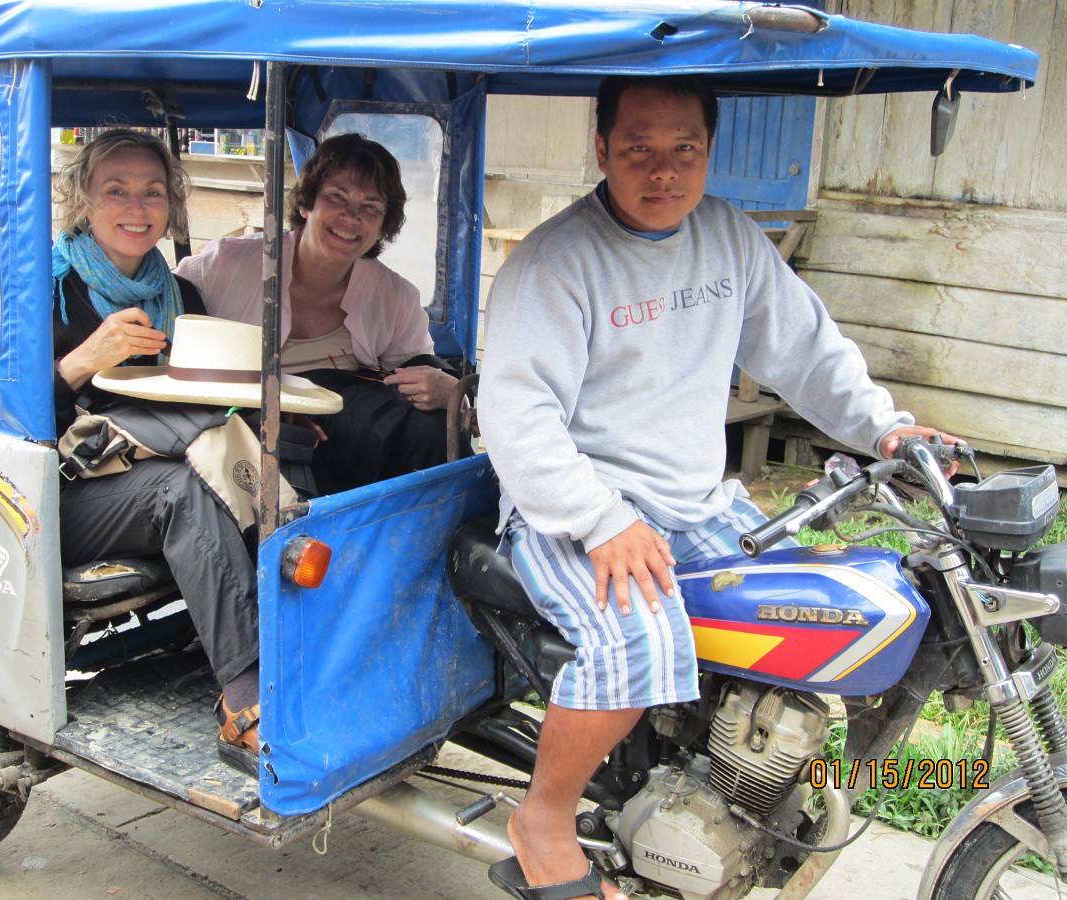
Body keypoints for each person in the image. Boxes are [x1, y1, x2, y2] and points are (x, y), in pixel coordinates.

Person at [476, 75, 961, 900]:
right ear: (601, 150)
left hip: (698, 499)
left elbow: (806, 348)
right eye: (638, 149)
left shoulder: (727, 237)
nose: (662, 171)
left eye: (684, 150)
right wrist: (600, 520)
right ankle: (544, 819)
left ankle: (721, 782)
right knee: (638, 640)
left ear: (709, 150)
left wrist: (883, 425)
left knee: (805, 612)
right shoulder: (555, 260)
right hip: (573, 508)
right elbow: (516, 414)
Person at [51, 128, 262, 777]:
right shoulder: (49, 292)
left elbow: (212, 403)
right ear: (83, 201)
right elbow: (4, 418)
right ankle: (248, 702)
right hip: (57, 493)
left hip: (164, 472)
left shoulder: (182, 300)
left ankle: (302, 658)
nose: (136, 208)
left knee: (266, 469)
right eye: (116, 190)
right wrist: (83, 362)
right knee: (186, 489)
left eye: (152, 192)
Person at [175, 132, 464, 494]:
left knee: (432, 429)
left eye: (370, 207)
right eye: (336, 197)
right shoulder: (227, 264)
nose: (351, 217)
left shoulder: (394, 295)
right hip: (240, 430)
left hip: (343, 446)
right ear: (306, 204)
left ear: (382, 226)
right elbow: (170, 305)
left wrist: (452, 392)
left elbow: (415, 372)